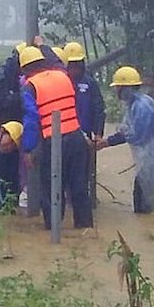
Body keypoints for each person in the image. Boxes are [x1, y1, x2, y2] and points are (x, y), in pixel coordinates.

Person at [19, 47, 93, 230]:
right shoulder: (63, 75)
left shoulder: (30, 87)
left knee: (51, 188)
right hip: (76, 138)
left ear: (25, 69)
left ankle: (53, 230)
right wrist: (42, 45)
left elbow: (31, 121)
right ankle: (85, 228)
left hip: (54, 142)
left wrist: (28, 149)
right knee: (79, 186)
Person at [94, 66, 154, 214]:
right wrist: (107, 141)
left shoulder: (142, 107)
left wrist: (107, 142)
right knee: (150, 196)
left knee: (145, 203)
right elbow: (127, 131)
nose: (116, 92)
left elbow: (135, 135)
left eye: (118, 88)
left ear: (125, 89)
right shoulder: (135, 104)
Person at [60, 41, 105, 211]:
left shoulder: (90, 83)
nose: (75, 70)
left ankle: (83, 203)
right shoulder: (60, 83)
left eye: (78, 65)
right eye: (71, 65)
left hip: (85, 137)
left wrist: (98, 133)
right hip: (64, 136)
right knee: (63, 172)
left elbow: (98, 108)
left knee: (83, 174)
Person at [0, 45, 28, 202]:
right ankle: (3, 210)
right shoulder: (0, 77)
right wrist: (25, 95)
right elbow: (2, 103)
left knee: (14, 175)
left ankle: (11, 210)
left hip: (13, 133)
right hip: (0, 134)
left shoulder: (14, 75)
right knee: (3, 174)